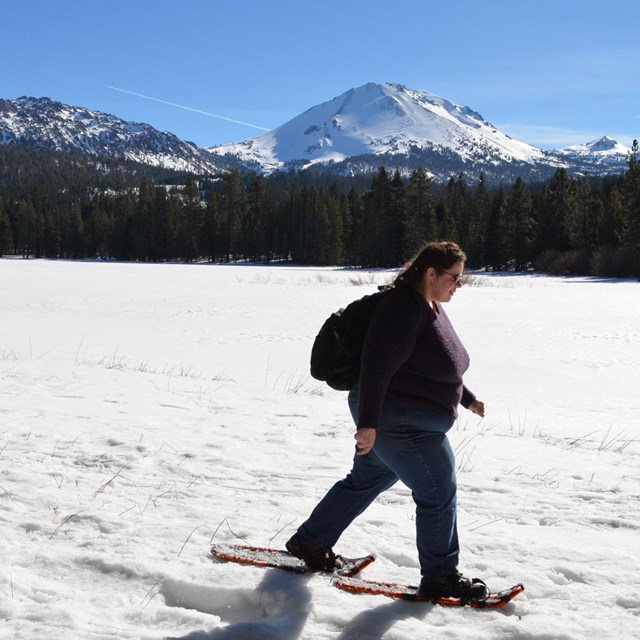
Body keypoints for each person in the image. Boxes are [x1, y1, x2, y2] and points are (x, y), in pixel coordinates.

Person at [286, 241, 488, 601]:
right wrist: (368, 424)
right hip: (399, 420)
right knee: (438, 490)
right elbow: (378, 366)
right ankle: (440, 577)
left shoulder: (431, 307)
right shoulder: (401, 308)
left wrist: (467, 398)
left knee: (366, 479)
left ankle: (311, 541)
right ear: (430, 273)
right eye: (454, 277)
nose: (459, 285)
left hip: (398, 416)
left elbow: (434, 365)